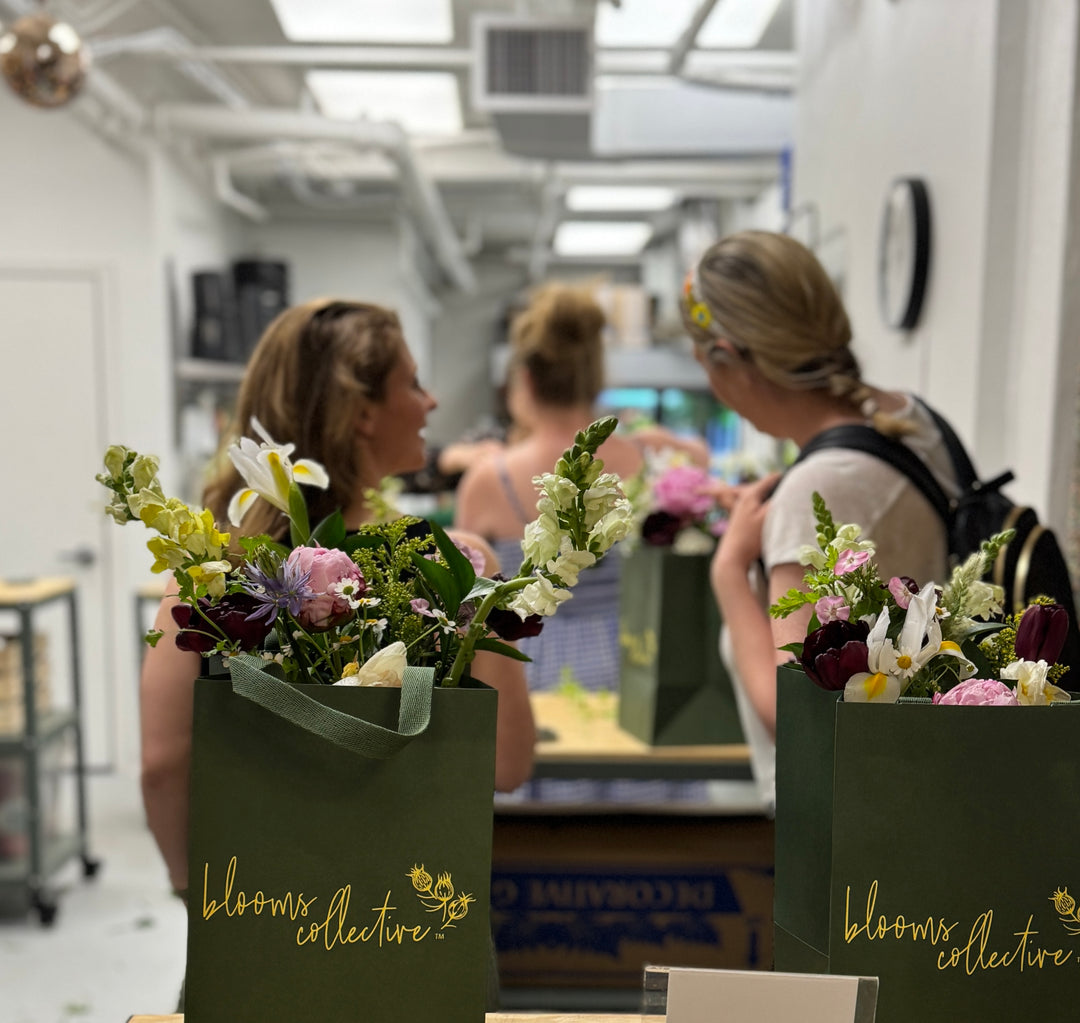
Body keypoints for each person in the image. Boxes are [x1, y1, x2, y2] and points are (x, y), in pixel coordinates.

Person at [140, 299, 536, 898]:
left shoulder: (212, 576)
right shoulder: (458, 568)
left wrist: (192, 891)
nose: (430, 402)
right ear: (361, 412)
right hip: (411, 913)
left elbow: (164, 766)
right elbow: (506, 765)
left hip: (262, 906)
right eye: (413, 382)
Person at [680, 230, 961, 810]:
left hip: (850, 831)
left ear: (727, 359)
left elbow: (796, 716)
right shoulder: (913, 420)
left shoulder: (815, 487)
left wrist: (732, 570)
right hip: (939, 785)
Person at [453, 283, 645, 692]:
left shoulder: (489, 479)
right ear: (596, 377)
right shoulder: (639, 464)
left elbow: (461, 609)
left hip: (519, 677)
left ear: (525, 379)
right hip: (630, 673)